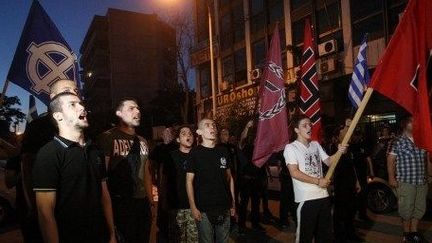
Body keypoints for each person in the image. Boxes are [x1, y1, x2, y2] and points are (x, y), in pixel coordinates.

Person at [32, 92, 116, 243]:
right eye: (72, 105)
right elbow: (45, 212)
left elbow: (105, 196)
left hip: (101, 236)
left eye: (81, 103)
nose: (82, 107)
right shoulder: (48, 154)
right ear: (58, 116)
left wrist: (111, 234)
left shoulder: (95, 150)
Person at [20, 79, 79, 243]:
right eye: (67, 89)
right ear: (53, 97)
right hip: (48, 211)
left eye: (76, 90)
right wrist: (34, 207)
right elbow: (27, 167)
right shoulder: (38, 127)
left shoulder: (80, 127)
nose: (74, 93)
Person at [284, 114, 347, 243]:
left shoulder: (315, 145)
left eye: (310, 124)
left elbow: (329, 161)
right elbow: (294, 172)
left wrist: (339, 151)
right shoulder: (291, 148)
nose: (309, 127)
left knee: (325, 236)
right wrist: (318, 181)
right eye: (304, 125)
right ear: (296, 130)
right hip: (306, 199)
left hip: (323, 196)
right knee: (304, 238)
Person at [98, 98, 154, 243]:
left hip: (142, 204)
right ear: (119, 113)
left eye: (138, 108)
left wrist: (150, 202)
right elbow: (102, 176)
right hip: (121, 203)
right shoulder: (108, 137)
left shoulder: (143, 140)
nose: (137, 111)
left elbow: (146, 173)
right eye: (131, 108)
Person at [186, 118, 235, 243]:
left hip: (224, 206)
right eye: (207, 125)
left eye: (213, 125)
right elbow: (189, 181)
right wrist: (193, 207)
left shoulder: (223, 151)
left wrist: (233, 203)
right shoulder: (195, 153)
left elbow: (230, 179)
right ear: (199, 132)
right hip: (203, 209)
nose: (212, 128)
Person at [387, 116, 430, 243]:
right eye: (412, 121)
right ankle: (406, 235)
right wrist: (391, 177)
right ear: (405, 124)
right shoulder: (397, 141)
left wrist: (429, 175)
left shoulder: (421, 140)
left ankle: (414, 232)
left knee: (419, 209)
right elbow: (390, 160)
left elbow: (426, 159)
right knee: (406, 210)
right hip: (406, 182)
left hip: (421, 181)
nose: (416, 123)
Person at [166, 126, 198, 243]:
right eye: (184, 133)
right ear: (178, 139)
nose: (188, 136)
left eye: (190, 133)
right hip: (176, 206)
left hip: (194, 207)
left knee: (194, 240)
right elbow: (165, 180)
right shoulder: (171, 156)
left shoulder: (198, 155)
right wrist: (164, 202)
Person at [333, 123, 362, 243]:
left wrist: (357, 182)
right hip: (340, 185)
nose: (348, 133)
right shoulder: (334, 148)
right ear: (338, 134)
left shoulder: (349, 148)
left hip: (350, 184)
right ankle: (340, 236)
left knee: (351, 210)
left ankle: (351, 233)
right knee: (340, 212)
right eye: (344, 131)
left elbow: (352, 167)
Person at [150, 126, 178, 243]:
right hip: (164, 182)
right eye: (164, 134)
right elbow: (151, 162)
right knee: (164, 208)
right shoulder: (160, 148)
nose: (165, 135)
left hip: (172, 181)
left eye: (168, 133)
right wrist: (153, 177)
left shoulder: (174, 147)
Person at [237, 121, 265, 234]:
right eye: (255, 138)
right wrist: (247, 126)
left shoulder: (259, 149)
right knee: (244, 204)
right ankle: (242, 226)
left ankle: (255, 223)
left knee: (256, 204)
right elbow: (242, 138)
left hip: (256, 181)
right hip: (246, 180)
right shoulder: (245, 146)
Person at [277, 151, 297, 230]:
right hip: (290, 178)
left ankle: (284, 221)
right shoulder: (293, 150)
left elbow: (279, 164)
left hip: (287, 177)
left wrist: (280, 174)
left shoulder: (282, 150)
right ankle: (288, 220)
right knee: (291, 200)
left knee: (285, 200)